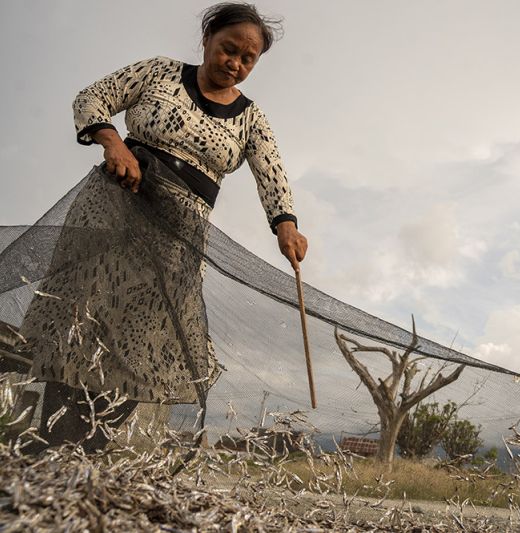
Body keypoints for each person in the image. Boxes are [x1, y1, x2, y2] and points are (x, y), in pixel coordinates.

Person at [16, 2, 307, 451]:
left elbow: (272, 175)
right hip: (112, 211)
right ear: (208, 39)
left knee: (147, 345)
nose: (235, 64)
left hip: (177, 241)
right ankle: (53, 442)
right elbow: (91, 98)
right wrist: (113, 142)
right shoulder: (159, 72)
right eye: (229, 50)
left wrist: (285, 224)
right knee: (85, 321)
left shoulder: (252, 119)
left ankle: (84, 445)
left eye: (248, 59)